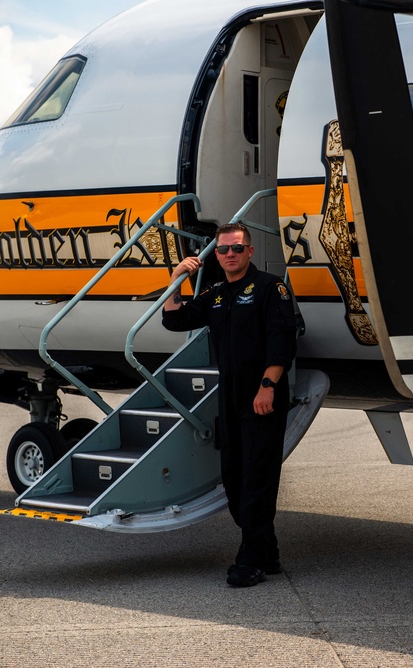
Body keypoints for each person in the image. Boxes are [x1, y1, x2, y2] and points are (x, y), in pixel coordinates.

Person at [162, 222, 297, 587]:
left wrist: (268, 385)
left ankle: (249, 560)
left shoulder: (271, 289)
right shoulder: (216, 294)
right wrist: (177, 277)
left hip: (262, 397)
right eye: (223, 250)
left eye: (237, 248)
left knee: (257, 479)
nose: (230, 254)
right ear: (216, 255)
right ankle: (268, 553)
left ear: (249, 251)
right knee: (234, 480)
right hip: (231, 398)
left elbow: (282, 342)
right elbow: (175, 319)